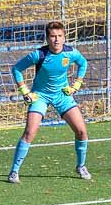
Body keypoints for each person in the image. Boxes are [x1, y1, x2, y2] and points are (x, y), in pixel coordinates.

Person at [8, 21, 91, 184]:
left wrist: (77, 84)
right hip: (41, 96)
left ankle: (81, 166)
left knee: (81, 131)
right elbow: (16, 69)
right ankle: (14, 171)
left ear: (64, 37)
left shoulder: (71, 53)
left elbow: (83, 63)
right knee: (29, 133)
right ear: (47, 38)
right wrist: (25, 92)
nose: (57, 40)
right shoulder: (39, 55)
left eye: (60, 36)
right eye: (53, 36)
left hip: (62, 96)